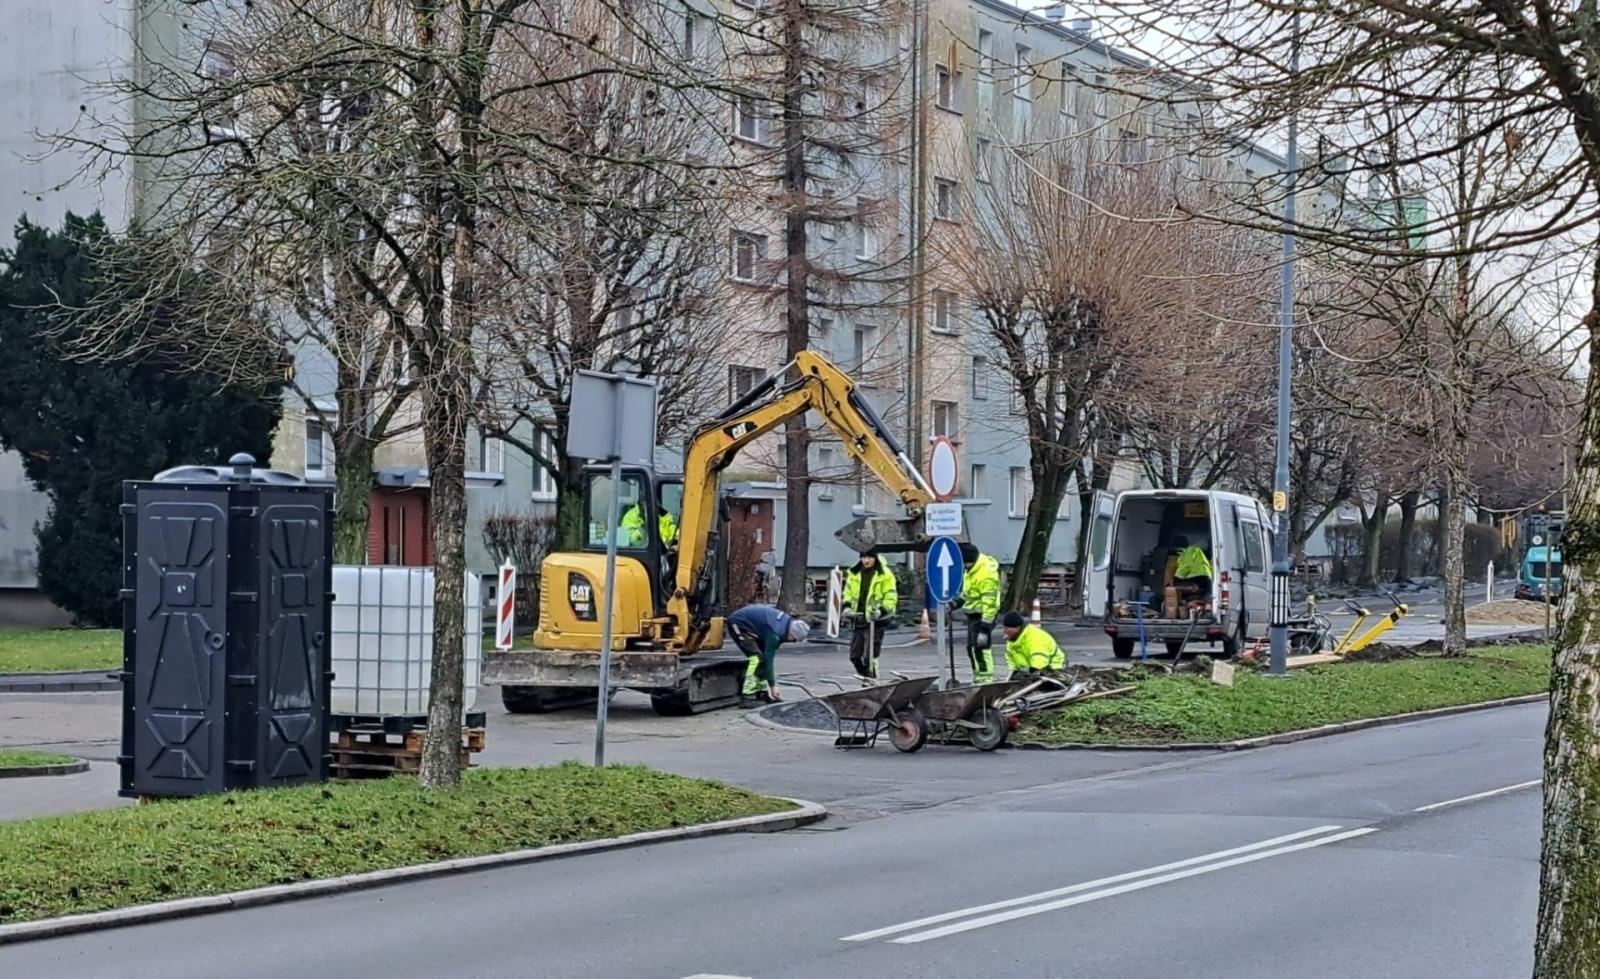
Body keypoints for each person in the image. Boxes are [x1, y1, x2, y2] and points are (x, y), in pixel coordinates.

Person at [725, 604, 810, 708]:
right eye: (795, 640)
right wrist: (772, 686)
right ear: (792, 634)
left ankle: (761, 693)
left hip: (754, 626)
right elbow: (769, 661)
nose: (793, 642)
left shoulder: (785, 626)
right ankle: (747, 697)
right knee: (756, 658)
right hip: (738, 623)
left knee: (762, 659)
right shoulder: (774, 634)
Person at [842, 549, 898, 681]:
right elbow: (848, 593)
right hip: (858, 619)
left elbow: (891, 596)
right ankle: (865, 676)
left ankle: (871, 678)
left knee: (870, 656)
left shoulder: (885, 574)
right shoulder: (854, 573)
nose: (866, 560)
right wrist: (847, 607)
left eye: (869, 557)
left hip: (876, 621)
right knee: (855, 656)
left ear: (875, 558)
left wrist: (881, 611)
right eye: (864, 557)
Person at [951, 543, 1001, 683]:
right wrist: (957, 602)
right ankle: (978, 677)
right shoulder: (971, 570)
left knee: (981, 647)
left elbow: (989, 603)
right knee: (972, 648)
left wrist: (985, 626)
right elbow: (969, 592)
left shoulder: (986, 574)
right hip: (973, 615)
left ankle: (985, 680)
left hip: (983, 616)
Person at [998, 610, 1065, 678]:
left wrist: (1031, 675)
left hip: (1052, 668)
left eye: (1006, 628)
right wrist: (1014, 673)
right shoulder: (1012, 640)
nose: (1004, 631)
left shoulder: (1035, 637)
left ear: (1017, 628)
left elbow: (1039, 661)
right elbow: (1010, 659)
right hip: (1030, 671)